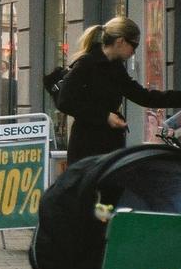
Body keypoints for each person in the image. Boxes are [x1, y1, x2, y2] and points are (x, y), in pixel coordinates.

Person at [57, 16, 181, 164]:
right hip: (87, 147)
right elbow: (65, 101)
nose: (134, 52)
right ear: (120, 41)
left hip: (110, 145)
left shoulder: (116, 68)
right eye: (133, 46)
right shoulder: (86, 64)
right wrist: (105, 116)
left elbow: (142, 96)